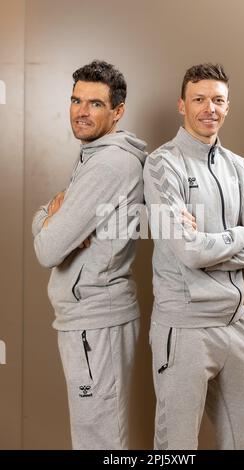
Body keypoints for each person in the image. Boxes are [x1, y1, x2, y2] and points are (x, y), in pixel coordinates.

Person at [143, 63, 244, 450]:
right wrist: (240, 234)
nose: (209, 108)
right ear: (182, 105)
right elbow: (188, 251)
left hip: (236, 323)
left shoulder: (239, 167)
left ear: (228, 106)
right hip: (184, 328)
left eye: (218, 100)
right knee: (177, 447)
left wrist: (210, 243)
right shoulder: (162, 164)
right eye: (199, 99)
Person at [32, 60, 147, 450]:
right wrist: (54, 216)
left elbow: (48, 249)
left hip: (96, 320)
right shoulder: (93, 154)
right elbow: (52, 231)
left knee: (98, 441)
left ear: (117, 112)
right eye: (76, 100)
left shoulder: (110, 164)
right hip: (87, 318)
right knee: (95, 437)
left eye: (95, 104)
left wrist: (51, 221)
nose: (81, 112)